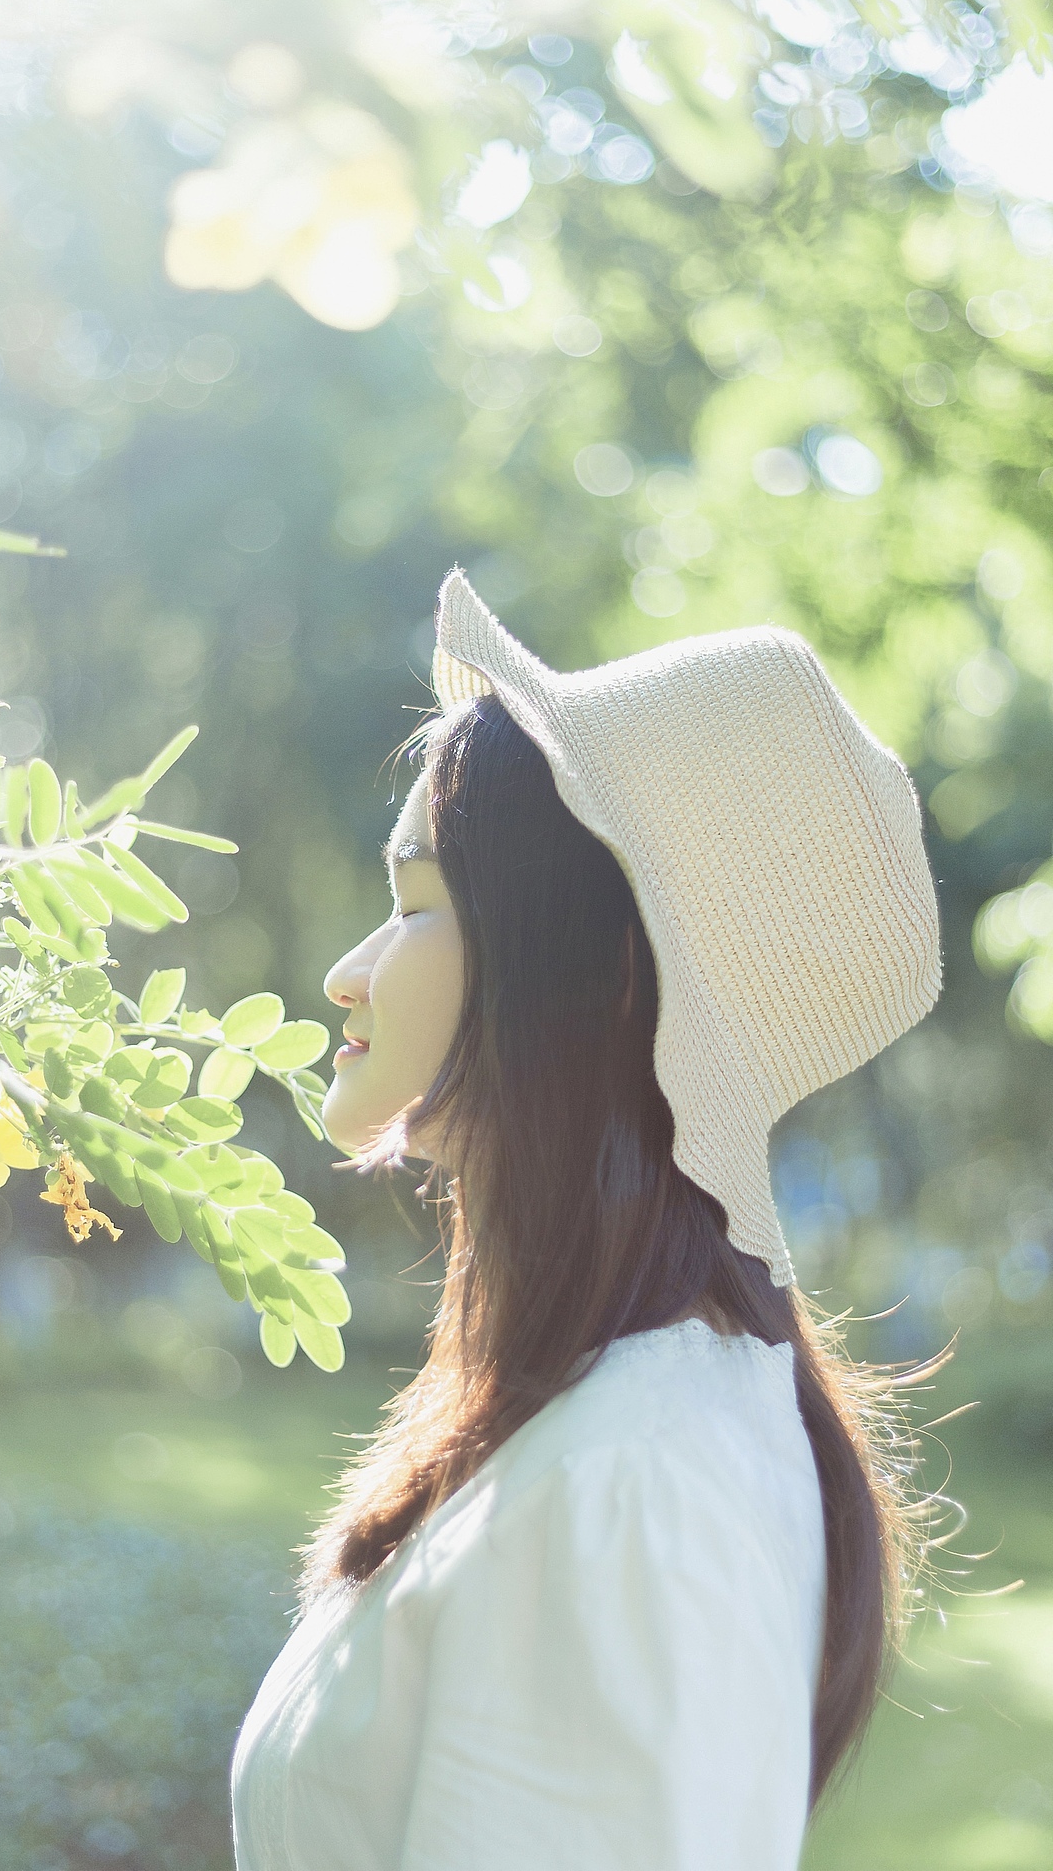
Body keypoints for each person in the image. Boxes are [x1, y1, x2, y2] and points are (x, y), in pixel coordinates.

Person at [230, 568, 944, 1870]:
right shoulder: (601, 1421)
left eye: (415, 908)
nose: (348, 971)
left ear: (605, 975)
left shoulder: (636, 1480)